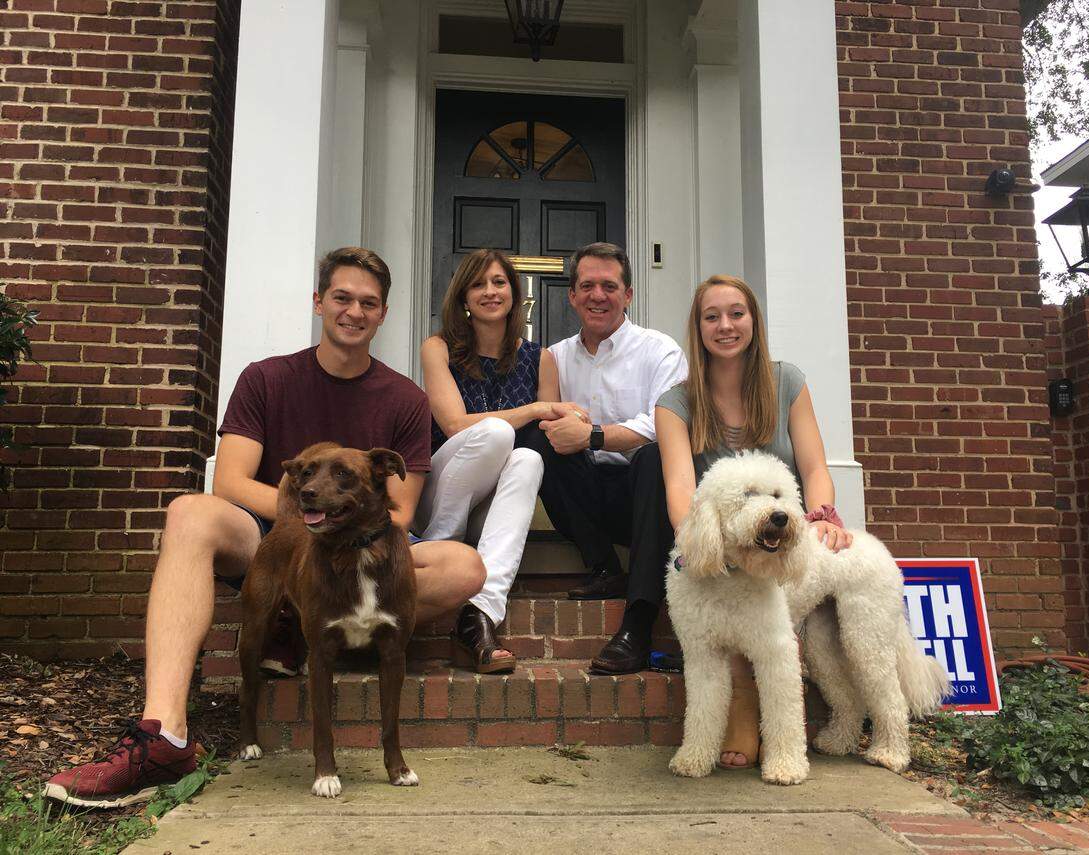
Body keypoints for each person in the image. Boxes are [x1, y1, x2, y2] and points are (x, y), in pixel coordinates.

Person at [43, 247, 486, 808]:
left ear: (383, 314)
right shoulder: (266, 378)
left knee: (464, 565)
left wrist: (335, 523)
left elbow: (398, 512)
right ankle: (165, 732)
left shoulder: (404, 399)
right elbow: (229, 481)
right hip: (269, 539)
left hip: (362, 547)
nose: (354, 311)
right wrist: (307, 523)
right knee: (189, 511)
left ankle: (321, 625)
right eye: (342, 297)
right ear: (319, 301)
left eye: (368, 303)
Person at [656, 273, 852, 770]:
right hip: (721, 536)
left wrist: (821, 516)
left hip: (787, 529)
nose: (726, 325)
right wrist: (704, 544)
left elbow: (813, 469)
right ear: (697, 328)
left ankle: (778, 726)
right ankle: (741, 702)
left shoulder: (788, 381)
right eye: (712, 316)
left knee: (774, 626)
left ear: (754, 321)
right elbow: (681, 489)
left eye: (736, 313)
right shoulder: (675, 403)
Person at [521, 242, 687, 675]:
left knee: (653, 457)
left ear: (628, 295)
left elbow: (665, 425)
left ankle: (638, 621)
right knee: (541, 442)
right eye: (587, 286)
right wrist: (564, 428)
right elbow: (547, 419)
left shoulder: (660, 350)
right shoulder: (554, 357)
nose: (598, 295)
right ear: (572, 295)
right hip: (591, 498)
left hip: (647, 499)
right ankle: (604, 566)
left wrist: (592, 436)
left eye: (609, 286)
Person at [418, 250, 559, 673]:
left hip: (489, 512)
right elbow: (455, 423)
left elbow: (552, 428)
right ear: (463, 296)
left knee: (529, 459)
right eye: (478, 284)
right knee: (497, 434)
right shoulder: (438, 347)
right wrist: (534, 410)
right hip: (440, 498)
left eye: (499, 282)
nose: (490, 292)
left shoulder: (540, 358)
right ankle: (438, 550)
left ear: (515, 295)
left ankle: (480, 609)